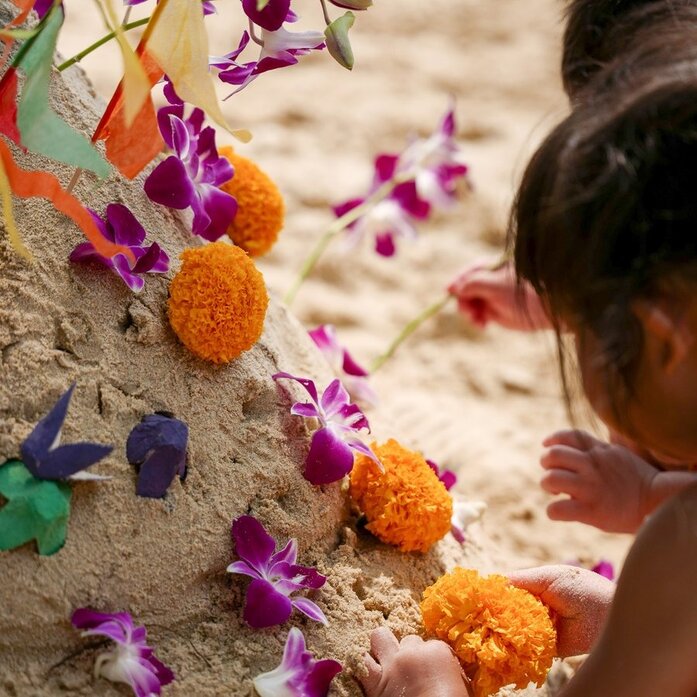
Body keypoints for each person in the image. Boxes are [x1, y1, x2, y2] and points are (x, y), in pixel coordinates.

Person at [362, 8, 697, 696]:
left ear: (664, 339)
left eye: (584, 325)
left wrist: (427, 689)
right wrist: (625, 624)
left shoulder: (680, 552)